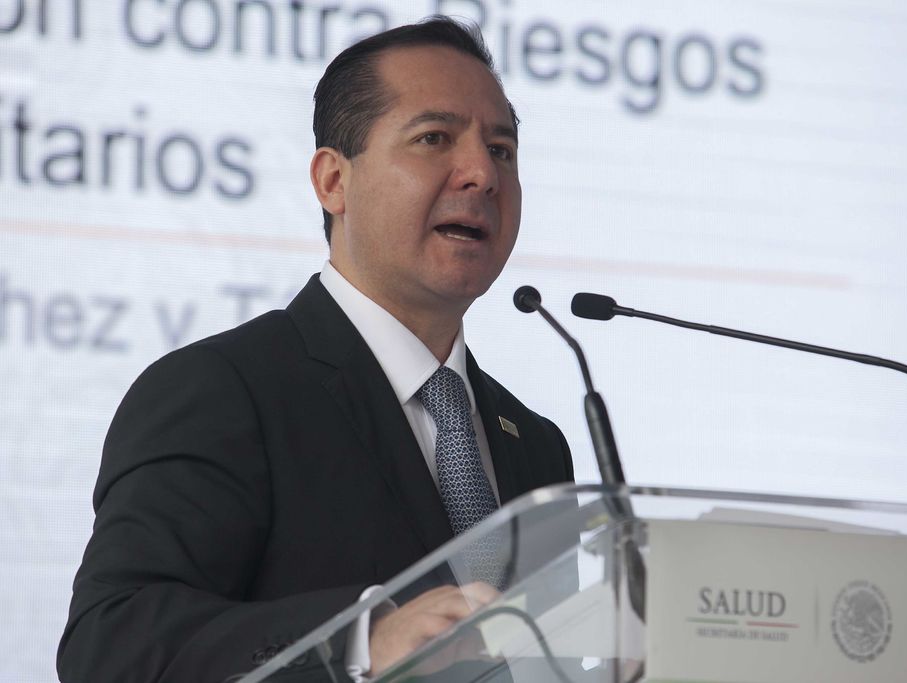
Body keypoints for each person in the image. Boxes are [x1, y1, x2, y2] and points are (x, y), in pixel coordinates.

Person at [57, 18, 574, 683]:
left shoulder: (536, 445)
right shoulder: (224, 390)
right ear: (333, 181)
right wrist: (362, 638)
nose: (482, 174)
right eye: (434, 139)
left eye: (501, 149)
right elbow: (112, 644)